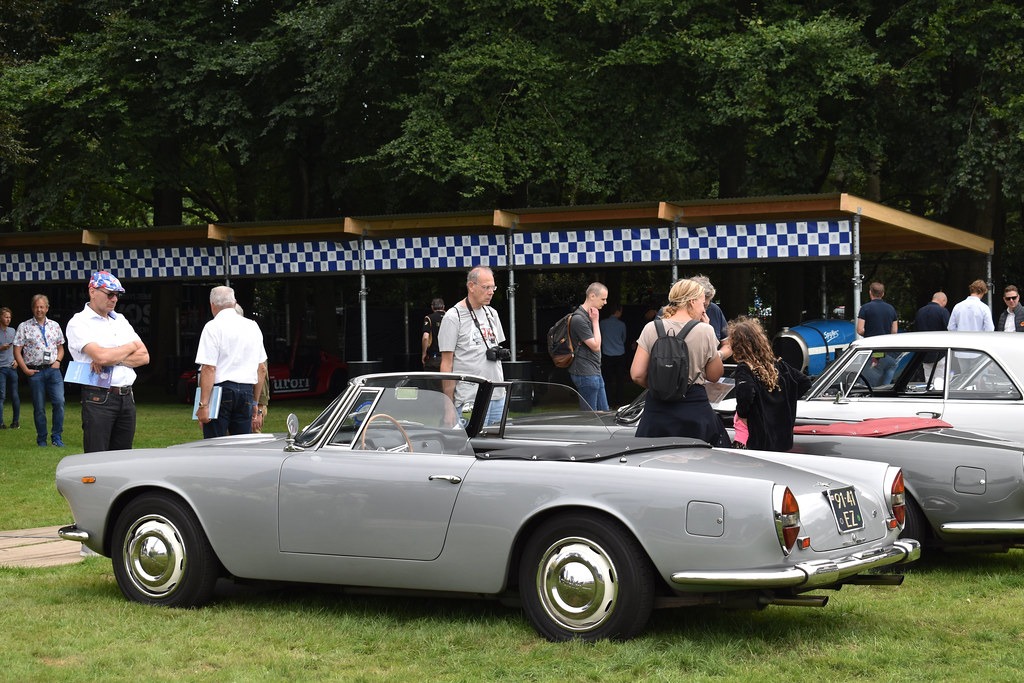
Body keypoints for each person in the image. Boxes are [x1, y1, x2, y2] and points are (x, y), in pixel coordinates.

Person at [630, 278, 731, 445]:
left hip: (657, 409)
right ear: (692, 302)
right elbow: (714, 375)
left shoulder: (651, 328)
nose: (704, 308)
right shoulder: (705, 330)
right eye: (702, 302)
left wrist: (665, 386)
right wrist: (710, 334)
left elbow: (637, 374)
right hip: (693, 409)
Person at [65, 271, 150, 452]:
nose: (114, 299)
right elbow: (101, 356)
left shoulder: (120, 319)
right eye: (110, 294)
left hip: (126, 396)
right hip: (98, 396)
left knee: (122, 457)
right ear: (92, 291)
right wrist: (129, 347)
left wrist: (112, 358)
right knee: (97, 457)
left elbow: (144, 356)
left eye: (117, 295)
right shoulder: (79, 322)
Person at [720, 316, 811, 451]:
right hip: (782, 438)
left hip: (758, 437)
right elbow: (804, 382)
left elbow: (746, 393)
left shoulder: (745, 368)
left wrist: (743, 414)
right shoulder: (779, 365)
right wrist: (785, 401)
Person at [194, 286, 268, 438]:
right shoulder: (252, 326)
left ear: (212, 305)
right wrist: (255, 402)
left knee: (215, 444)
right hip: (246, 391)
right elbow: (261, 368)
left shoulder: (212, 327)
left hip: (221, 390)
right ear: (234, 303)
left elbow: (209, 368)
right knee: (242, 445)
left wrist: (203, 404)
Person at [438, 266, 507, 425]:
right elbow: (447, 364)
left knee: (498, 448)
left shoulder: (492, 313)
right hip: (470, 398)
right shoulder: (453, 317)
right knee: (470, 447)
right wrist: (448, 406)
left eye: (493, 287)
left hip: (497, 395)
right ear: (471, 286)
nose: (491, 292)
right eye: (486, 287)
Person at [12, 294, 66, 447]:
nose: (39, 310)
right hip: (35, 372)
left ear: (47, 308)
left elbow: (61, 348)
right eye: (36, 307)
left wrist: (58, 361)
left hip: (53, 370)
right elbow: (17, 351)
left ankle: (57, 437)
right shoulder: (24, 326)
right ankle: (41, 439)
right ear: (32, 308)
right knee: (39, 407)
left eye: (42, 307)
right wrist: (25, 370)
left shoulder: (55, 325)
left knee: (59, 402)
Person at [568, 282, 609, 411]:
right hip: (585, 373)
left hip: (594, 371)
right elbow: (596, 346)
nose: (605, 302)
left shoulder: (588, 316)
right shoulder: (579, 319)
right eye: (603, 299)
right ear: (592, 296)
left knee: (605, 413)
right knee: (591, 418)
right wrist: (596, 321)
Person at [857, 281, 899, 385]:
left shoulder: (865, 308)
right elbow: (894, 331)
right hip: (888, 352)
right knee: (885, 385)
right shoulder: (891, 308)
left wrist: (870, 333)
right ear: (883, 294)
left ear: (870, 292)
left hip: (873, 352)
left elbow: (860, 329)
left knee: (867, 384)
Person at [914, 291, 950, 385]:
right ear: (943, 300)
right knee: (940, 382)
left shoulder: (920, 312)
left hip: (924, 352)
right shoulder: (943, 311)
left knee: (928, 381)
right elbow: (949, 331)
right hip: (940, 352)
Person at [599, 304, 629, 406]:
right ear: (618, 311)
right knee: (620, 380)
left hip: (607, 354)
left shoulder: (602, 323)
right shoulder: (621, 324)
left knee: (607, 380)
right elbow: (623, 338)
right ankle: (620, 401)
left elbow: (600, 337)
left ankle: (609, 401)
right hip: (620, 354)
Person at [0, 307, 20, 429]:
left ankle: (16, 422)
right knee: (1, 396)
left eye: (9, 317)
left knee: (15, 395)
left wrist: (17, 360)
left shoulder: (13, 331)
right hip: (1, 368)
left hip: (12, 367)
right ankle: (1, 423)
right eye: (6, 317)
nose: (8, 319)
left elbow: (18, 348)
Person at [690, 274, 727, 341]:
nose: (704, 310)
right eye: (703, 305)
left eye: (707, 306)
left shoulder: (714, 310)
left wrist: (719, 352)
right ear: (691, 301)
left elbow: (727, 344)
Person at [421, 297, 445, 370]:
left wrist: (424, 353)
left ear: (432, 307)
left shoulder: (429, 318)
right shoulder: (451, 317)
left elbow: (425, 337)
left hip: (434, 358)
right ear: (443, 306)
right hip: (449, 358)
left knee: (432, 381)